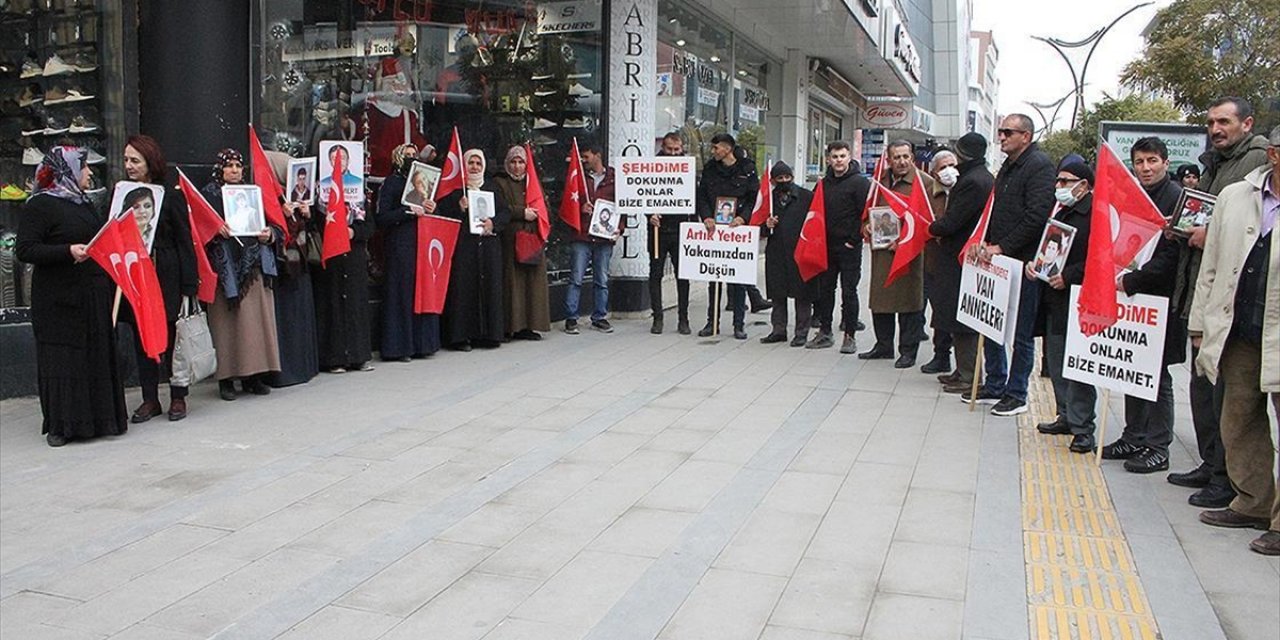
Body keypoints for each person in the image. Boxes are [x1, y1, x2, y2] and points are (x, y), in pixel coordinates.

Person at [1169, 97, 1272, 508]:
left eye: (1224, 121)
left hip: (1238, 304)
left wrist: (1204, 234)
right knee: (1203, 385)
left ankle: (1230, 479)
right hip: (1203, 291)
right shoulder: (1215, 162)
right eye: (1211, 121)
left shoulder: (1255, 163)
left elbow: (1239, 233)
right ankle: (1213, 465)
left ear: (1246, 124)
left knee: (1228, 397)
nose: (1216, 128)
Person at [1187, 125, 1279, 556]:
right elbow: (1212, 265)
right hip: (1239, 329)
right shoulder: (1237, 196)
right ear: (1274, 157)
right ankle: (1253, 502)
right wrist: (1200, 321)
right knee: (1238, 419)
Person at [16, 146, 127, 446]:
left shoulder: (83, 202)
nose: (89, 173)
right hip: (59, 300)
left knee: (93, 356)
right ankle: (63, 426)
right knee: (64, 361)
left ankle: (99, 421)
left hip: (91, 294)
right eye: (84, 167)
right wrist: (67, 251)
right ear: (66, 171)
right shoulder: (40, 205)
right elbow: (25, 249)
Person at [1098, 137, 1186, 472]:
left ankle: (1157, 446)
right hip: (1133, 300)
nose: (1145, 168)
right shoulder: (1135, 195)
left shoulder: (1176, 199)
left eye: (1152, 161)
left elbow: (1172, 257)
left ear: (1165, 162)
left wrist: (1130, 281)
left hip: (1161, 301)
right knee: (1133, 369)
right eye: (1139, 162)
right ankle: (1133, 435)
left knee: (1157, 376)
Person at [965, 114, 1055, 417]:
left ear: (1025, 136)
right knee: (990, 322)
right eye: (1000, 131)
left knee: (1021, 331)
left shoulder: (1039, 165)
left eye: (1007, 132)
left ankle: (1016, 393)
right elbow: (996, 210)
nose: (1001, 137)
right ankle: (995, 383)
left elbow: (1036, 216)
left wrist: (1002, 246)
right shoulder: (1006, 166)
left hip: (1023, 263)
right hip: (998, 261)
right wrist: (984, 242)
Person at [118, 135, 198, 421]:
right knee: (142, 338)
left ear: (149, 162)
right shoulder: (123, 194)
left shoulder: (170, 194)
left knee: (174, 336)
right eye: (126, 160)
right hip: (136, 275)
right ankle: (150, 398)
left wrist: (190, 282)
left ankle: (178, 396)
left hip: (166, 275)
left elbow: (184, 239)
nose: (129, 165)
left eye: (135, 160)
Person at [202, 149, 282, 401]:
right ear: (220, 169)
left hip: (254, 267)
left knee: (254, 325)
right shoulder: (209, 196)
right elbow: (198, 230)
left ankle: (253, 376)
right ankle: (226, 379)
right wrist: (215, 230)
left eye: (238, 165)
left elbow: (276, 224)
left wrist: (269, 234)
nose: (235, 170)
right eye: (229, 166)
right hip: (225, 270)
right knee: (226, 327)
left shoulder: (255, 194)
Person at [1031, 160, 1099, 454]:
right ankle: (1066, 415)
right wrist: (1037, 265)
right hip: (1054, 298)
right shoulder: (1060, 210)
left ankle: (1084, 428)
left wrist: (1069, 276)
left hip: (1081, 300)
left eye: (1065, 181)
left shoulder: (1096, 214)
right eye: (1057, 181)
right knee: (1056, 360)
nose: (1059, 187)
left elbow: (1102, 258)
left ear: (1083, 185)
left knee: (1078, 366)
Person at [928, 132, 994, 395]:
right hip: (959, 257)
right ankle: (961, 370)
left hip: (961, 257)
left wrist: (932, 227)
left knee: (963, 317)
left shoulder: (973, 181)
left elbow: (953, 220)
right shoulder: (978, 177)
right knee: (954, 315)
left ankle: (969, 374)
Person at [859, 140, 933, 368]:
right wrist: (867, 227)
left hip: (910, 253)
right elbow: (867, 213)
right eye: (896, 157)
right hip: (882, 253)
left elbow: (931, 221)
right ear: (889, 160)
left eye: (905, 156)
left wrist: (904, 241)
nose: (901, 162)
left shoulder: (925, 183)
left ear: (912, 157)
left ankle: (908, 351)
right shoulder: (879, 183)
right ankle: (883, 346)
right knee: (881, 300)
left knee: (909, 303)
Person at [376, 144, 442, 360]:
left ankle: (423, 344)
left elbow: (433, 216)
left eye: (414, 155)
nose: (411, 158)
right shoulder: (391, 183)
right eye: (407, 155)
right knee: (401, 296)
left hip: (422, 244)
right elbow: (382, 217)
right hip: (400, 246)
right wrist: (406, 212)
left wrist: (432, 208)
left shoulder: (425, 183)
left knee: (421, 293)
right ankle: (400, 347)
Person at [311, 149, 374, 373]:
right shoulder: (321, 191)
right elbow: (316, 223)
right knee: (333, 305)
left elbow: (370, 226)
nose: (339, 161)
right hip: (333, 254)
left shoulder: (359, 190)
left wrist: (352, 232)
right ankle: (334, 358)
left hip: (354, 255)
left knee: (356, 305)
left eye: (343, 157)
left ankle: (359, 356)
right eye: (334, 158)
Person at [441, 148, 509, 348]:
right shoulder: (456, 189)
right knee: (464, 290)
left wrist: (493, 223)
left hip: (488, 246)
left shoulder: (492, 187)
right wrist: (458, 207)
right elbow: (442, 213)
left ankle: (488, 334)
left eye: (478, 163)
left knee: (489, 288)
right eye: (471, 163)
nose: (475, 167)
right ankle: (462, 337)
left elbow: (505, 213)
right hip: (465, 247)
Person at [264, 150, 319, 387]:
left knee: (298, 317)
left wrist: (305, 213)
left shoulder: (299, 194)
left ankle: (303, 366)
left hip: (300, 265)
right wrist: (285, 216)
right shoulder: (269, 196)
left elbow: (310, 228)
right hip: (283, 268)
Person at [810, 140, 871, 350]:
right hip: (826, 247)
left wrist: (853, 240)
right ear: (828, 159)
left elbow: (866, 215)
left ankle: (850, 335)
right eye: (834, 157)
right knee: (825, 291)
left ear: (849, 158)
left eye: (842, 156)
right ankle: (825, 332)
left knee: (849, 291)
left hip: (849, 247)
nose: (838, 160)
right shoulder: (823, 184)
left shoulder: (860, 183)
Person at [695, 133, 757, 340]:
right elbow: (702, 195)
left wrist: (743, 218)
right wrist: (705, 217)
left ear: (727, 148)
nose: (713, 152)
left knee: (738, 279)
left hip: (736, 229)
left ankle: (739, 324)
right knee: (714, 278)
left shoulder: (747, 168)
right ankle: (712, 322)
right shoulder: (711, 169)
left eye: (716, 148)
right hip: (714, 229)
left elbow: (753, 197)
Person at [492, 145, 551, 341]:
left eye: (521, 162)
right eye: (513, 162)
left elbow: (544, 205)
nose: (517, 167)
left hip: (532, 239)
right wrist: (520, 212)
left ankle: (528, 325)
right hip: (510, 240)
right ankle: (510, 327)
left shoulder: (532, 182)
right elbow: (498, 207)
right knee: (512, 284)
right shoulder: (500, 182)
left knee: (531, 284)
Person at [758, 162, 818, 345]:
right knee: (777, 293)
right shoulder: (767, 200)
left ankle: (801, 332)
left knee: (802, 294)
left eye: (787, 177)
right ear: (773, 180)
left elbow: (816, 223)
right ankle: (778, 329)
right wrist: (766, 226)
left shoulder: (807, 197)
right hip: (776, 252)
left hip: (800, 251)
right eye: (780, 178)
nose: (784, 181)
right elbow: (756, 227)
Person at [564, 142, 620, 335]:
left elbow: (623, 206)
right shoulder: (577, 176)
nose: (583, 161)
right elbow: (567, 204)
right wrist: (580, 209)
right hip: (582, 235)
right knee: (576, 278)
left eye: (586, 157)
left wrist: (619, 229)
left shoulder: (615, 178)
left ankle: (599, 317)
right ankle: (571, 318)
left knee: (601, 279)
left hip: (604, 237)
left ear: (597, 154)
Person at [647, 132, 691, 335]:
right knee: (655, 274)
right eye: (669, 149)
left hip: (681, 229)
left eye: (677, 150)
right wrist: (649, 214)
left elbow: (694, 200)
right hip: (658, 229)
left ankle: (683, 319)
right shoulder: (651, 168)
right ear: (662, 148)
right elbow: (640, 194)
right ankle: (657, 317)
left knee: (683, 275)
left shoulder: (688, 170)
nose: (673, 154)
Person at [920, 150, 958, 374]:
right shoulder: (927, 194)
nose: (948, 171)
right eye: (943, 167)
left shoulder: (966, 191)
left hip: (960, 261)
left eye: (952, 165)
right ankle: (941, 355)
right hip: (935, 259)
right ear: (934, 172)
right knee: (940, 311)